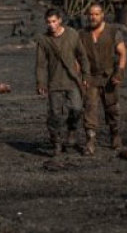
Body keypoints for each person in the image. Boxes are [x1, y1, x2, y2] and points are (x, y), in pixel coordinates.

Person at [35, 8, 90, 157]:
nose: (51, 25)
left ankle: (72, 131)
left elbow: (82, 56)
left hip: (72, 81)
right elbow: (40, 64)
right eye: (48, 22)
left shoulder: (72, 34)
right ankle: (57, 143)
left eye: (54, 21)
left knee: (77, 109)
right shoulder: (43, 40)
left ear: (59, 20)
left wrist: (86, 75)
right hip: (54, 83)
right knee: (55, 115)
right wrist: (41, 83)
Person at [80, 3, 127, 155]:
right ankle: (90, 141)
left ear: (102, 15)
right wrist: (80, 76)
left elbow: (122, 53)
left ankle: (115, 135)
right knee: (89, 108)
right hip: (91, 77)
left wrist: (119, 72)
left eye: (96, 14)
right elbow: (77, 57)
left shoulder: (113, 32)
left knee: (112, 108)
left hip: (109, 77)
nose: (93, 17)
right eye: (90, 14)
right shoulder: (82, 34)